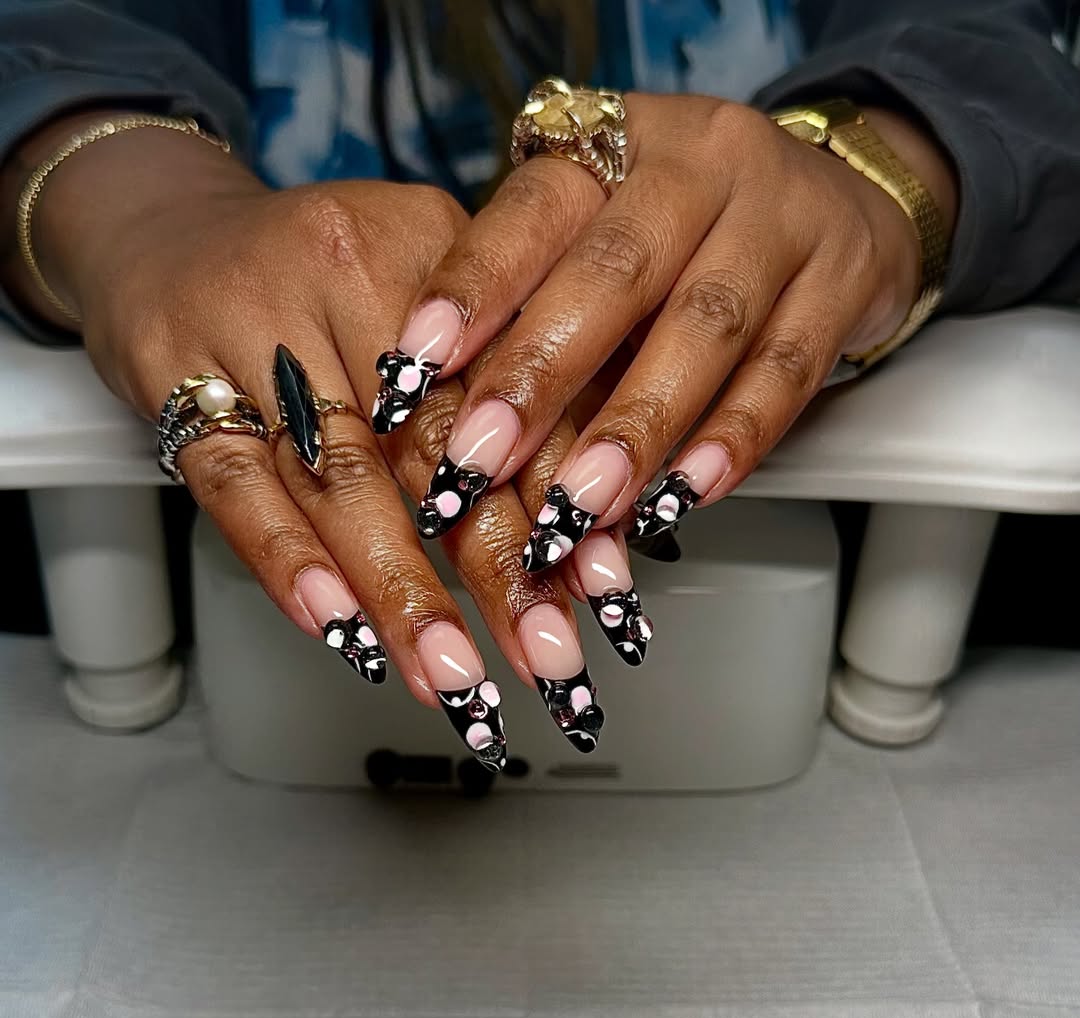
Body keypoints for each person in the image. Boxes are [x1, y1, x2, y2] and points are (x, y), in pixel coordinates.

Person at [1, 1, 1078, 772]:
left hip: (878, 609)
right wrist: (146, 214)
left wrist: (877, 188)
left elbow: (991, 43)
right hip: (159, 625)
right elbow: (59, 29)